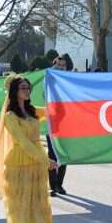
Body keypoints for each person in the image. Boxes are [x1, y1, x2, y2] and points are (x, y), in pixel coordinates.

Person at [0, 75, 59, 223]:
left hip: (35, 163)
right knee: (20, 205)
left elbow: (54, 111)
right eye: (23, 88)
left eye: (28, 88)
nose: (27, 91)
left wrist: (64, 94)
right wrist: (47, 160)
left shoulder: (33, 111)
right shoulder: (10, 116)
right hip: (19, 163)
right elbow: (25, 144)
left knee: (36, 203)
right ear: (14, 92)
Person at [46, 55, 69, 195]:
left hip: (66, 123)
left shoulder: (68, 81)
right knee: (52, 154)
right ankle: (52, 185)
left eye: (63, 65)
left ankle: (59, 184)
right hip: (51, 123)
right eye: (58, 65)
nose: (61, 67)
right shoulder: (48, 80)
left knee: (64, 154)